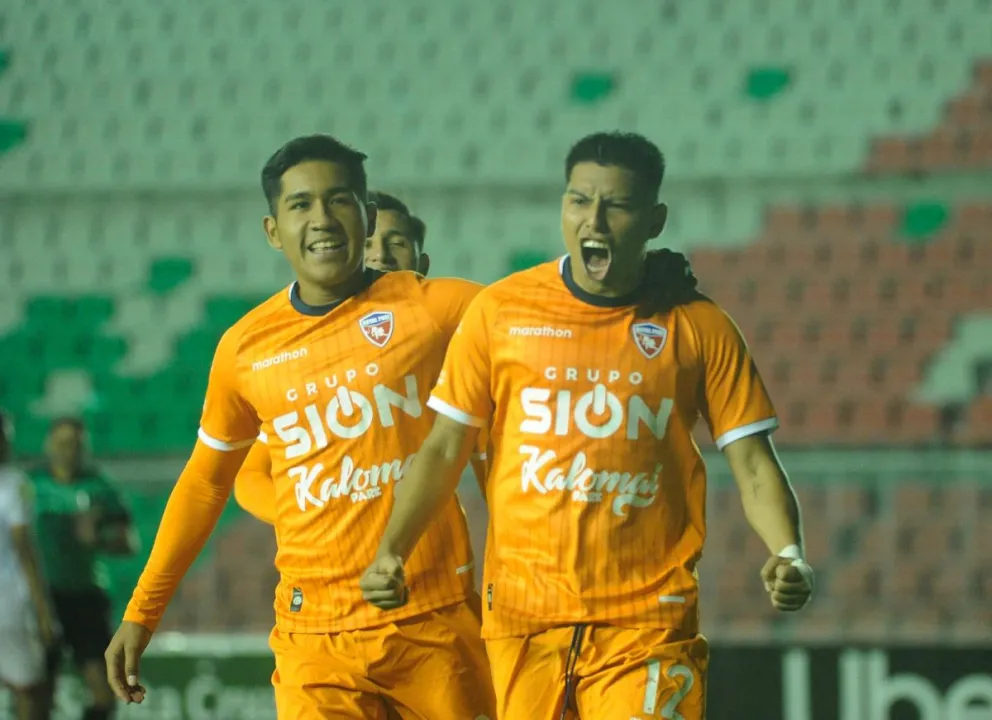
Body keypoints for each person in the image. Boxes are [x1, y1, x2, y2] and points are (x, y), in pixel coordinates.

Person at [363, 131, 815, 719]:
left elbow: (754, 463)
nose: (593, 219)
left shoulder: (700, 327)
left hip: (647, 622)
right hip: (523, 620)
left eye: (616, 205)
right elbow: (445, 447)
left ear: (655, 219)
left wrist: (788, 551)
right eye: (578, 200)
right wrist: (390, 550)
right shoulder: (501, 312)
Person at [104, 135, 497, 720]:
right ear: (272, 230)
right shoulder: (245, 348)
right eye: (301, 205)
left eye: (339, 200)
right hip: (313, 640)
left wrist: (648, 290)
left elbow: (547, 318)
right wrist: (142, 611)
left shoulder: (434, 308)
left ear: (365, 217)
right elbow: (209, 483)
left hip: (432, 622)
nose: (322, 219)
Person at [233, 190, 487, 526]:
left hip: (432, 560)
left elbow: (494, 454)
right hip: (337, 558)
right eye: (367, 245)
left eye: (395, 243)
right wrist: (312, 523)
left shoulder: (457, 345)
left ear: (422, 266)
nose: (380, 255)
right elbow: (250, 476)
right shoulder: (314, 360)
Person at [29, 417, 134, 720]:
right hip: (42, 599)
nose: (68, 451)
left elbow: (128, 542)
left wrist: (97, 538)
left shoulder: (99, 486)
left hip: (86, 595)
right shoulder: (32, 485)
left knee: (104, 691)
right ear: (49, 445)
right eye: (62, 444)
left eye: (74, 444)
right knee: (38, 693)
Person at [0, 412, 57, 720]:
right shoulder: (12, 484)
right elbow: (25, 548)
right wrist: (44, 610)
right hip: (7, 604)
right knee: (30, 690)